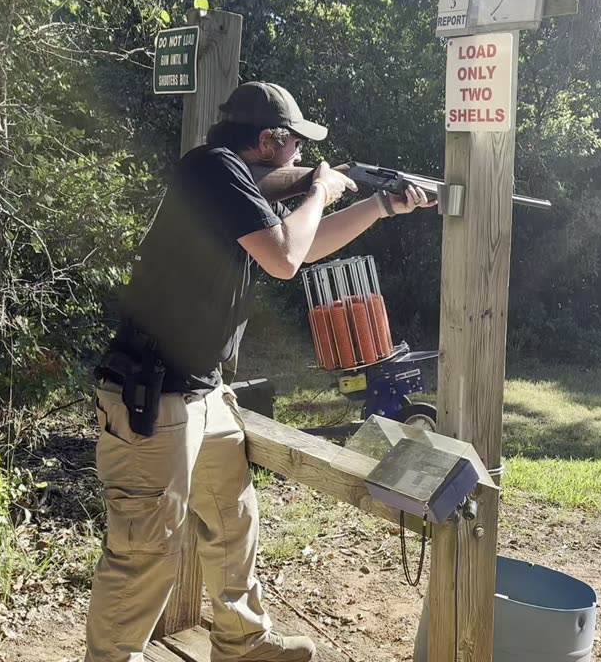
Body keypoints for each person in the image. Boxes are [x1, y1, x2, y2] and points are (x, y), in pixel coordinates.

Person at [84, 81, 434, 662]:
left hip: (202, 390)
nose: (300, 156)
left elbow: (304, 246)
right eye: (295, 144)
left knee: (232, 516)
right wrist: (321, 188)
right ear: (270, 140)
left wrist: (376, 204)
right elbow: (285, 259)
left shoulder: (237, 185)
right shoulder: (213, 170)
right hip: (153, 390)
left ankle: (241, 642)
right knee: (145, 547)